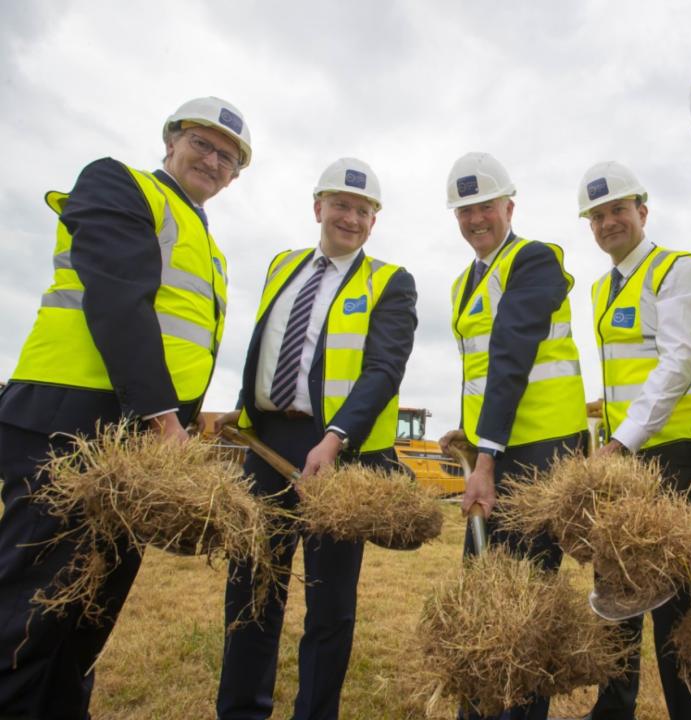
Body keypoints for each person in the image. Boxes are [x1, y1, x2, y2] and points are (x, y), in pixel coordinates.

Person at [0, 96, 251, 719]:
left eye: (228, 157)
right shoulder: (119, 183)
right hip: (70, 433)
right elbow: (118, 301)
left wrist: (186, 424)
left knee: (88, 615)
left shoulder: (207, 244)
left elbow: (179, 340)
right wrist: (166, 422)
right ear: (169, 141)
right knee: (31, 614)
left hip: (137, 444)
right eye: (201, 143)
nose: (212, 161)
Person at [214, 158, 417, 720]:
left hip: (337, 453)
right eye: (341, 205)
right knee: (251, 589)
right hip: (265, 445)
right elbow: (266, 347)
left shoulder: (390, 282)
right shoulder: (281, 265)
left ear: (373, 222)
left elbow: (382, 371)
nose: (350, 218)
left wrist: (333, 440)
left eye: (362, 210)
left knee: (329, 604)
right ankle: (239, 710)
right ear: (318, 208)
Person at [438, 152, 589, 720]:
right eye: (464, 210)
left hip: (539, 454)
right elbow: (479, 373)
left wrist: (486, 456)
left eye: (485, 207)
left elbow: (511, 355)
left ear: (510, 206)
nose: (475, 219)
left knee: (526, 599)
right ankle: (477, 708)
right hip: (492, 453)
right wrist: (470, 444)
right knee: (482, 587)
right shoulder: (463, 284)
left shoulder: (536, 260)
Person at [577, 162, 691, 720]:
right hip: (625, 460)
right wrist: (615, 448)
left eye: (618, 209)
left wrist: (624, 442)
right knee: (615, 596)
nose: (608, 221)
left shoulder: (678, 271)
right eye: (597, 215)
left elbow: (678, 362)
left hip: (676, 458)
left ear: (643, 209)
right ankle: (612, 710)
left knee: (680, 610)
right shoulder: (600, 290)